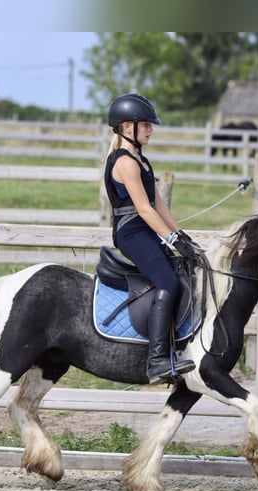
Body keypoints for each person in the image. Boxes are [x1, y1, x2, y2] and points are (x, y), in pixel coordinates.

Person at [104, 93, 203, 384]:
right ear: (126, 127)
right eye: (145, 124)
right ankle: (157, 359)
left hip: (146, 227)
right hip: (131, 232)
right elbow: (143, 208)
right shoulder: (125, 163)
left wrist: (183, 237)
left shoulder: (142, 161)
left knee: (182, 271)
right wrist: (171, 238)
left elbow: (159, 205)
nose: (151, 130)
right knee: (168, 281)